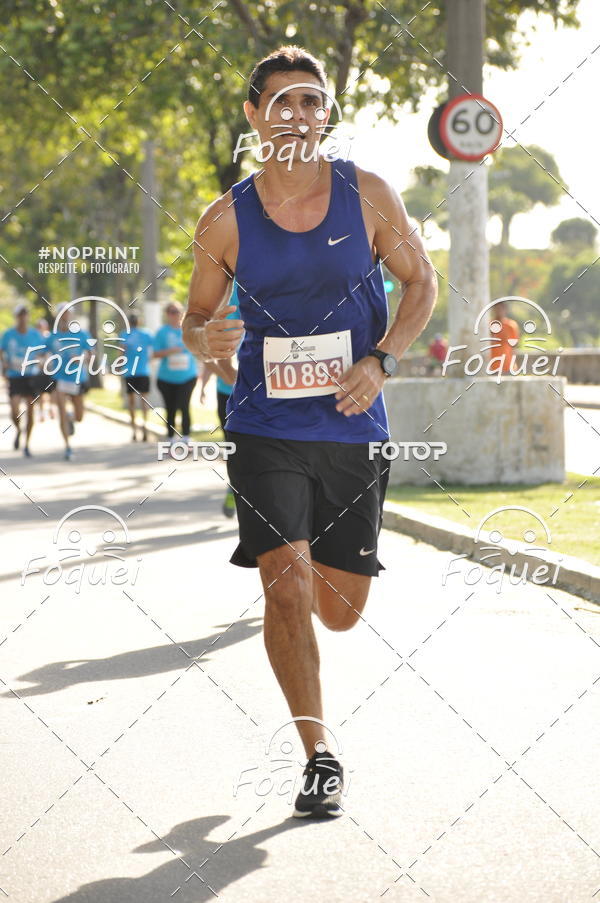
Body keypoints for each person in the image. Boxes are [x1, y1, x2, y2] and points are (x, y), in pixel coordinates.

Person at [183, 46, 436, 818]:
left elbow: (422, 282)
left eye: (312, 101)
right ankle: (317, 753)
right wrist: (206, 341)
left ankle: (331, 596)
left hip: (352, 426)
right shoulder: (225, 218)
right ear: (254, 115)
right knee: (286, 587)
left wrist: (383, 358)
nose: (298, 114)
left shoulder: (368, 196)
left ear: (326, 116)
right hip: (262, 427)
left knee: (339, 608)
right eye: (282, 101)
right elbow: (194, 318)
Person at [201, 282, 240, 518]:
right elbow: (205, 356)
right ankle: (233, 486)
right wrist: (231, 376)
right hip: (228, 394)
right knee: (235, 450)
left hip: (266, 394)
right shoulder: (222, 295)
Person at [46, 303, 92, 460]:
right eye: (62, 313)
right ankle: (67, 447)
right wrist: (42, 360)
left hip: (77, 379)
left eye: (67, 313)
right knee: (61, 412)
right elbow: (41, 353)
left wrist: (81, 358)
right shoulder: (52, 337)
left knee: (80, 417)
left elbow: (91, 354)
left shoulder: (81, 334)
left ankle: (72, 418)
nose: (65, 316)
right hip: (60, 379)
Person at [0, 303, 46, 457]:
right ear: (16, 317)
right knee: (14, 409)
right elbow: (1, 351)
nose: (23, 317)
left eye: (25, 314)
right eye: (20, 314)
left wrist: (41, 361)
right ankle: (19, 429)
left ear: (28, 316)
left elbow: (43, 353)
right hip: (14, 376)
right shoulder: (8, 335)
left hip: (31, 375)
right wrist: (4, 365)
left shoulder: (35, 335)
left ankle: (27, 443)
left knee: (31, 411)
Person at [153, 301, 198, 444]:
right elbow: (155, 354)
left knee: (184, 405)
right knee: (170, 407)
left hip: (188, 376)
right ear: (167, 314)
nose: (174, 314)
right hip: (166, 378)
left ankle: (186, 437)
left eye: (177, 311)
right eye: (171, 312)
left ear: (182, 313)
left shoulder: (189, 329)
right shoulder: (162, 332)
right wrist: (171, 351)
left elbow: (199, 348)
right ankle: (171, 437)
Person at [119, 312, 154, 442]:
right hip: (142, 371)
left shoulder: (124, 334)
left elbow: (121, 352)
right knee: (143, 402)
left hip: (130, 372)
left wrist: (118, 367)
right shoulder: (146, 333)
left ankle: (135, 429)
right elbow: (152, 351)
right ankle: (143, 426)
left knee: (132, 403)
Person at [488, 300, 520, 374]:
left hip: (508, 366)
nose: (499, 310)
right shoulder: (488, 325)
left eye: (501, 308)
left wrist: (514, 364)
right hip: (492, 367)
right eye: (497, 308)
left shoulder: (511, 325)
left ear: (505, 309)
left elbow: (514, 348)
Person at [34, 318, 55, 420]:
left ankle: (51, 409)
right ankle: (41, 412)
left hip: (50, 368)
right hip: (39, 369)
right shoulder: (35, 338)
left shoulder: (49, 337)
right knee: (41, 392)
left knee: (51, 391)